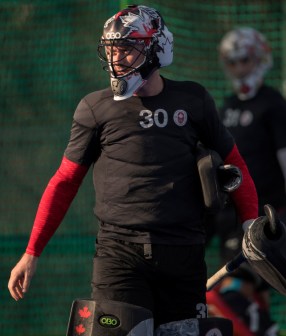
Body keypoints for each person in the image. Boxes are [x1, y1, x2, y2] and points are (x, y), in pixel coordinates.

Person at [8, 5, 259, 331]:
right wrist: (32, 252)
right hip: (119, 255)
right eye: (111, 49)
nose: (115, 59)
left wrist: (250, 224)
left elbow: (235, 164)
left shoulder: (194, 101)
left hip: (184, 254)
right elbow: (66, 180)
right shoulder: (94, 108)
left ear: (156, 48)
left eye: (126, 49)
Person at [206, 27, 286, 335]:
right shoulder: (225, 108)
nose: (239, 69)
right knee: (254, 294)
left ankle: (266, 331)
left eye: (244, 60)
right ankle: (265, 328)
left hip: (264, 217)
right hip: (230, 216)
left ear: (260, 59)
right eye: (232, 62)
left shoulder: (274, 105)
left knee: (230, 291)